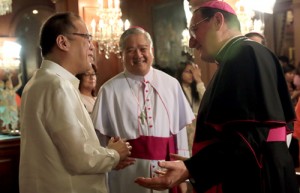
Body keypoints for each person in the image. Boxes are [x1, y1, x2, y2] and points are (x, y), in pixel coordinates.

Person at [135, 1, 299, 193]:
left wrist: (192, 168)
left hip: (257, 179)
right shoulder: (241, 56)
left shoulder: (245, 54)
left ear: (218, 21)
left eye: (194, 30)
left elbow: (250, 137)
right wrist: (196, 164)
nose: (191, 42)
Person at [19, 12, 133, 193]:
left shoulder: (37, 83)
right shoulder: (57, 85)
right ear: (63, 43)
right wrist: (114, 154)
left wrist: (108, 160)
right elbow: (79, 158)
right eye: (87, 37)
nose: (92, 46)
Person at [91, 27, 195, 193]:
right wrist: (108, 163)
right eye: (130, 50)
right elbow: (99, 139)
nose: (138, 55)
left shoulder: (171, 84)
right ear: (122, 54)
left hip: (165, 171)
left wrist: (183, 174)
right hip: (125, 174)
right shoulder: (109, 89)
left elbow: (180, 135)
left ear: (151, 51)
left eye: (143, 49)